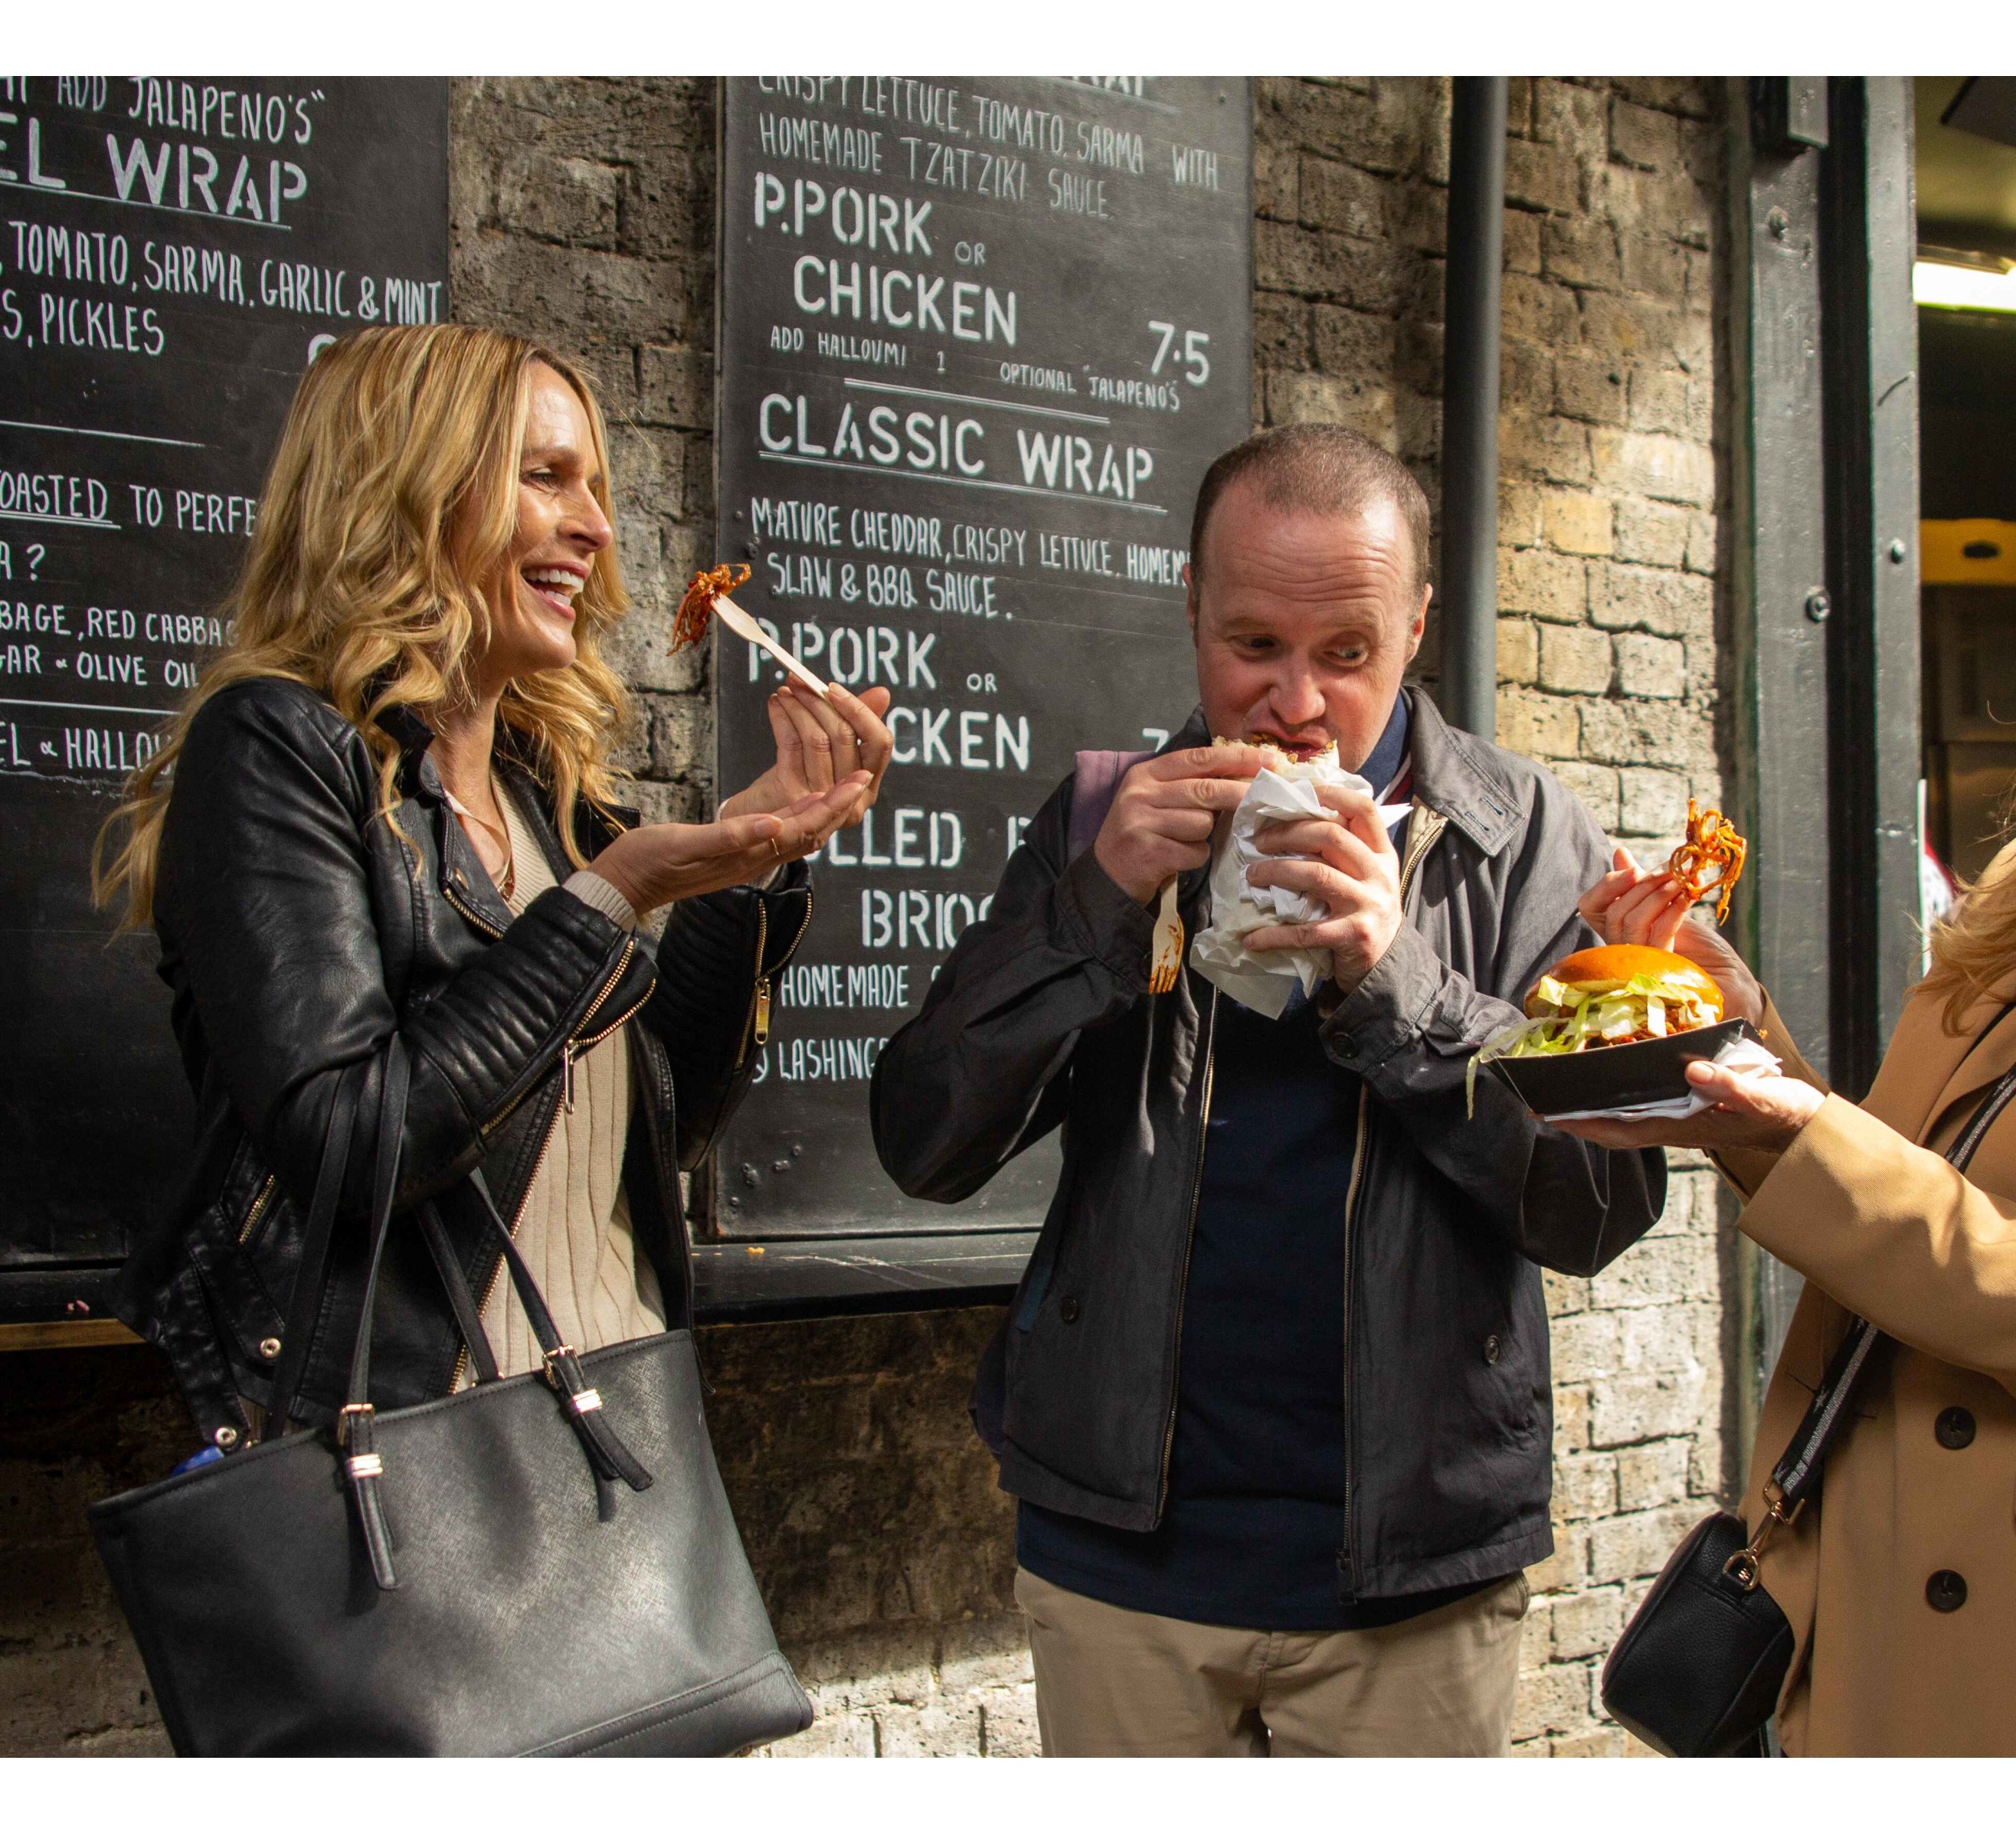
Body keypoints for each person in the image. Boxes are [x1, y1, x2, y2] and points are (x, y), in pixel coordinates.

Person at [869, 423, 1667, 1757]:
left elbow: (1596, 1206)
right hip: (1122, 1559)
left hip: (1412, 1573)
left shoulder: (1527, 842)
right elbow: (924, 1139)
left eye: (1345, 654)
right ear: (1191, 612)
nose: (1295, 703)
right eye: (1254, 647)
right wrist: (1094, 915)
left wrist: (1393, 976)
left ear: (1415, 630)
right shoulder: (1102, 820)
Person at [98, 323, 893, 1448]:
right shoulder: (278, 748)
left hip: (624, 1422)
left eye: (595, 485)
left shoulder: (547, 796)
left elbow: (670, 1126)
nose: (596, 526)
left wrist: (742, 864)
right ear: (407, 490)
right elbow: (350, 1143)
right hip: (424, 1462)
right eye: (544, 476)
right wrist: (607, 897)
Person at [1562, 840, 2016, 1756]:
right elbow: (1910, 1179)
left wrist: (1811, 1129)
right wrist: (1740, 1046)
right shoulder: (2005, 902)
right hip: (1861, 1568)